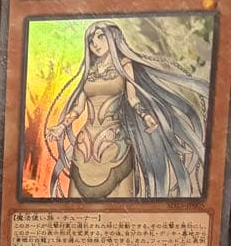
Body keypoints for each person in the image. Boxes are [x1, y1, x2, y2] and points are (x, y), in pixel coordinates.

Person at [43, 20, 209, 199]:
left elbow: (132, 98)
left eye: (101, 37)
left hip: (116, 142)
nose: (95, 44)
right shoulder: (89, 71)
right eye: (91, 40)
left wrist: (146, 116)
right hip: (84, 145)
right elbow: (78, 107)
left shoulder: (124, 65)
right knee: (76, 203)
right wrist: (61, 126)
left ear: (113, 37)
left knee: (119, 203)